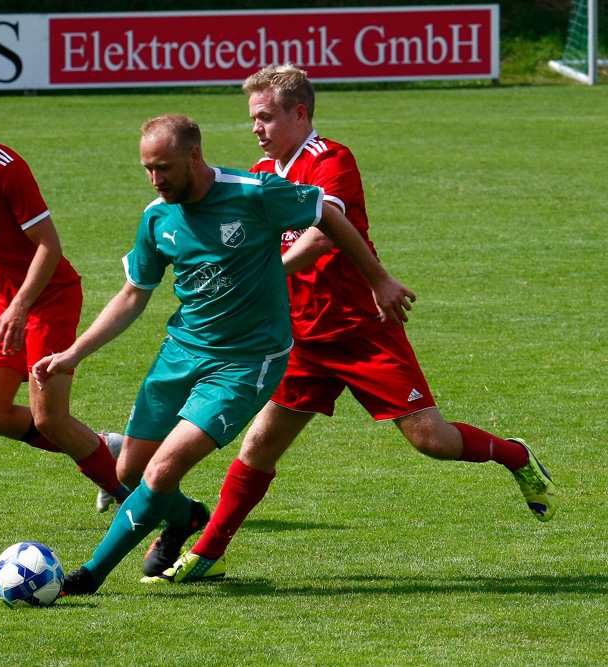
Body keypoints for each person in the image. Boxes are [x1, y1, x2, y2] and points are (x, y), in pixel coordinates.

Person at [143, 64, 558, 585]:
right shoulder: (264, 173)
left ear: (300, 114)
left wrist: (256, 273)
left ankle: (516, 455)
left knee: (433, 441)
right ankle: (209, 552)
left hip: (361, 328)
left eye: (266, 117)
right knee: (259, 447)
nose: (257, 128)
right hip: (300, 337)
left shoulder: (331, 159)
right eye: (253, 119)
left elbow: (321, 235)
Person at [33, 113, 414, 595]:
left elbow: (326, 214)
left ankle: (87, 577)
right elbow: (133, 294)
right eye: (148, 168)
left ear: (195, 155)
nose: (157, 179)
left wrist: (378, 279)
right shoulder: (157, 217)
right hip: (181, 352)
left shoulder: (254, 193)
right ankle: (189, 517)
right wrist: (73, 353)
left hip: (247, 362)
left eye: (165, 167)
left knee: (162, 470)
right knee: (128, 472)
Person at [0, 77, 127, 512]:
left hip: (49, 297)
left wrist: (19, 305)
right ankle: (103, 447)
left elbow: (50, 246)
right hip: (10, 301)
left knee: (50, 418)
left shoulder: (5, 168)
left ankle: (132, 498)